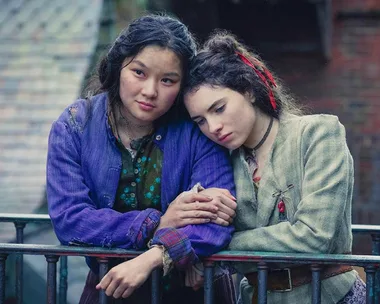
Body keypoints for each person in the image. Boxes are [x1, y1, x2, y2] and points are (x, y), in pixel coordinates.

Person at [46, 15, 238, 304]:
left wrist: (156, 253)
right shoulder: (75, 125)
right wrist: (157, 222)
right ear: (118, 65)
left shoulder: (196, 127)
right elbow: (70, 221)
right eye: (139, 72)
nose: (150, 91)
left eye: (168, 80)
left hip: (197, 293)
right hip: (110, 289)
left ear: (183, 84)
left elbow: (215, 222)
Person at [183, 31, 366, 304]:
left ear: (247, 90)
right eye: (200, 121)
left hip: (329, 296)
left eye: (218, 108)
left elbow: (314, 236)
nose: (213, 127)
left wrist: (223, 244)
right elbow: (201, 227)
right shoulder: (220, 162)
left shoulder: (317, 134)